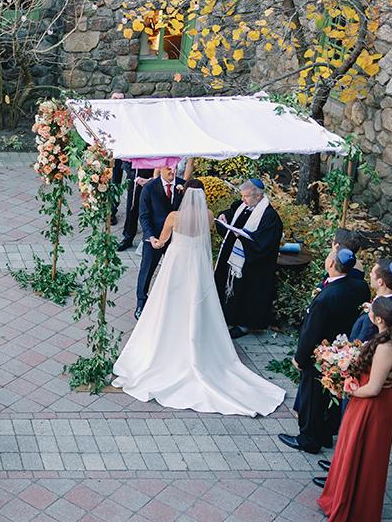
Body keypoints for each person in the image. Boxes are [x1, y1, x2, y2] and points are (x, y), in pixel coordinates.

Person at [112, 181, 286, 416]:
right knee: (197, 303)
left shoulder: (174, 216)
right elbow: (211, 237)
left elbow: (162, 241)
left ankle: (169, 338)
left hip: (176, 266)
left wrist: (155, 242)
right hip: (198, 267)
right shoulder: (209, 215)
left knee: (168, 304)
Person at [317, 296, 392, 522]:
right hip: (375, 404)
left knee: (363, 455)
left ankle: (353, 509)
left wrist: (347, 389)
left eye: (372, 310)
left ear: (378, 319)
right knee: (361, 454)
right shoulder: (391, 339)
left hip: (372, 407)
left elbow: (373, 388)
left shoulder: (386, 348)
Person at [279, 246, 371, 455]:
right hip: (342, 353)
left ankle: (309, 439)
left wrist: (300, 359)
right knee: (332, 397)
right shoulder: (360, 287)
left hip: (321, 355)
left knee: (312, 399)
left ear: (331, 265)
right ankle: (325, 434)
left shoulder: (325, 298)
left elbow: (311, 331)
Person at [213, 178, 284, 336]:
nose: (242, 199)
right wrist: (224, 215)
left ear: (258, 196)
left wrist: (244, 236)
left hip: (254, 264)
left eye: (246, 196)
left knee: (246, 293)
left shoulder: (269, 216)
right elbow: (231, 212)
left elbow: (263, 243)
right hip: (233, 257)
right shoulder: (243, 206)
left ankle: (244, 323)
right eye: (242, 196)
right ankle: (226, 316)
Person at [133, 164, 185, 318]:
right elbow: (144, 215)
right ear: (160, 168)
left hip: (175, 238)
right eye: (168, 168)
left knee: (175, 270)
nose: (172, 171)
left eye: (174, 168)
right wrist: (150, 237)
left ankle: (172, 303)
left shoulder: (183, 185)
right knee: (147, 270)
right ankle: (141, 302)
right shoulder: (149, 188)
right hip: (154, 237)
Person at [350, 258, 392, 342]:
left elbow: (361, 341)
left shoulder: (378, 313)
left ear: (380, 282)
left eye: (372, 273)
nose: (369, 275)